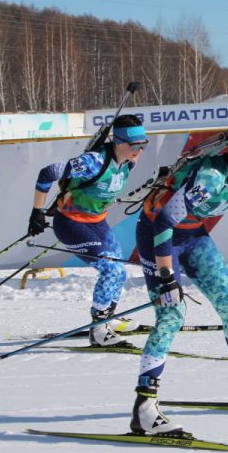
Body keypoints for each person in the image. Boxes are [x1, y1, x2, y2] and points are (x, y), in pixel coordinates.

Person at [130, 114, 228, 435]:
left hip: (192, 237)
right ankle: (144, 408)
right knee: (171, 316)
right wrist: (166, 276)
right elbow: (164, 221)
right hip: (157, 236)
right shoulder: (210, 180)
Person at [29, 114, 148, 347]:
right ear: (118, 142)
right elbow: (48, 172)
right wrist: (37, 211)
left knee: (119, 271)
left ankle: (109, 318)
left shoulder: (129, 160)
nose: (139, 151)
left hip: (96, 221)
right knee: (110, 270)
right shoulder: (92, 161)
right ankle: (98, 329)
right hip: (71, 224)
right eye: (135, 146)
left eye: (144, 145)